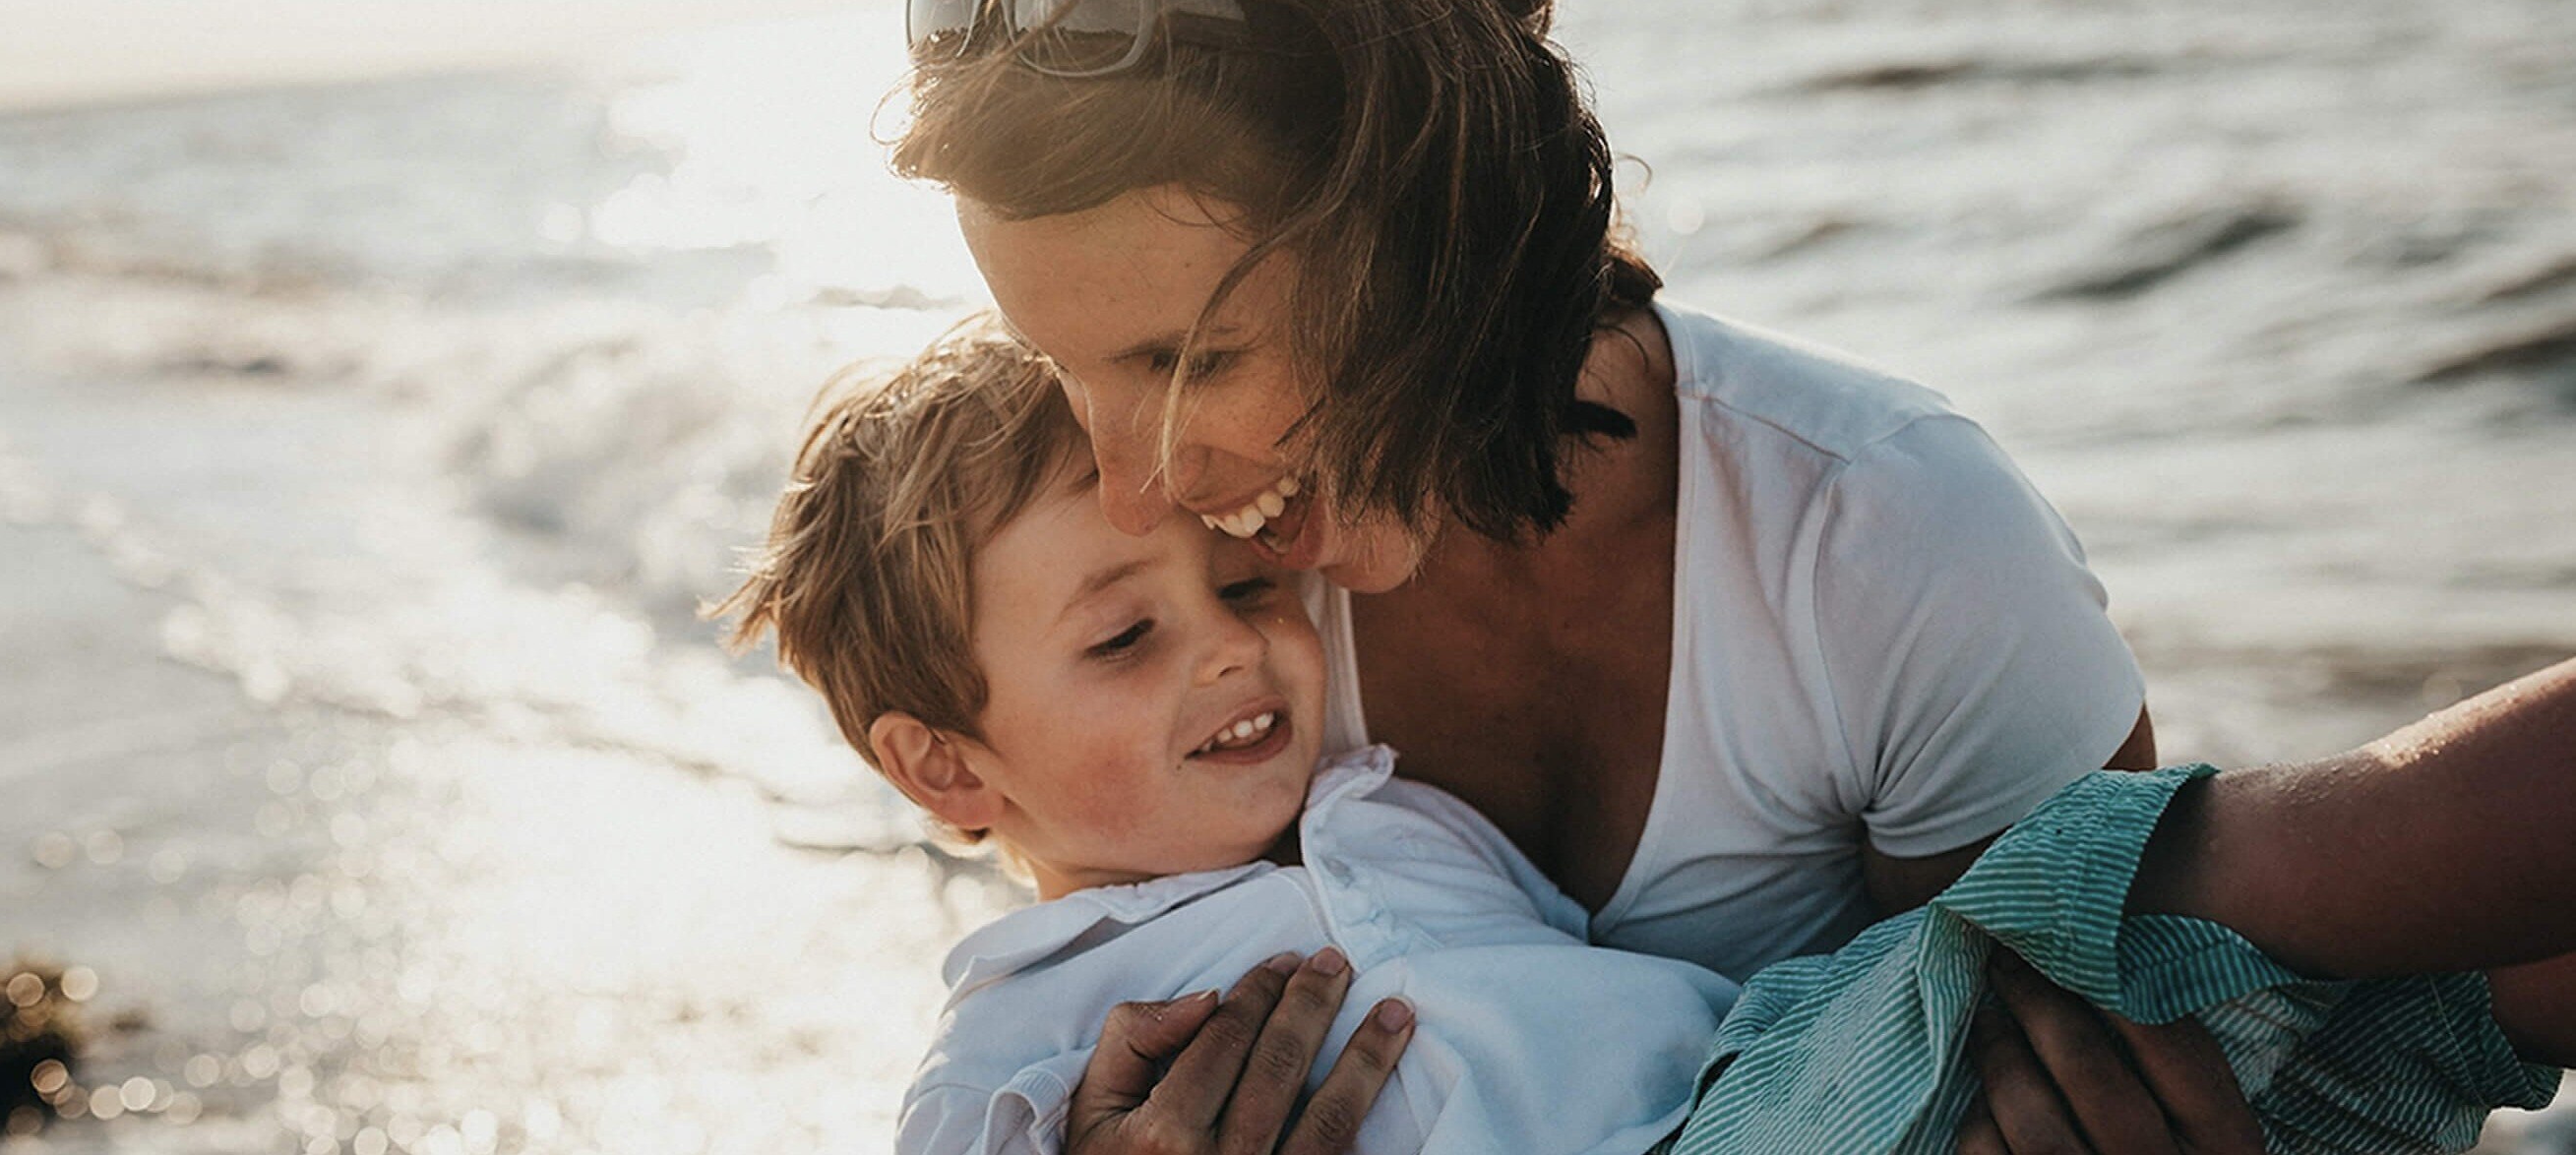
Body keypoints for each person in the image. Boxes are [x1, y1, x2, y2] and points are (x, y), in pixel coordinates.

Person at [891, 0, 2182, 1152]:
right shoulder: (1204, 618)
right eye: (1062, 366)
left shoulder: (1883, 544)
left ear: (1432, 237)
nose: (1138, 490)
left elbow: (2116, 1070)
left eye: (1186, 360)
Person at [715, 321, 2572, 1155]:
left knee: (2437, 1001)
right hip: (1749, 1132)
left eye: (1242, 586)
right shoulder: (1027, 1029)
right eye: (1125, 637)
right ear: (948, 771)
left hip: (1783, 1075)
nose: (1235, 648)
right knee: (2213, 888)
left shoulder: (1374, 802)